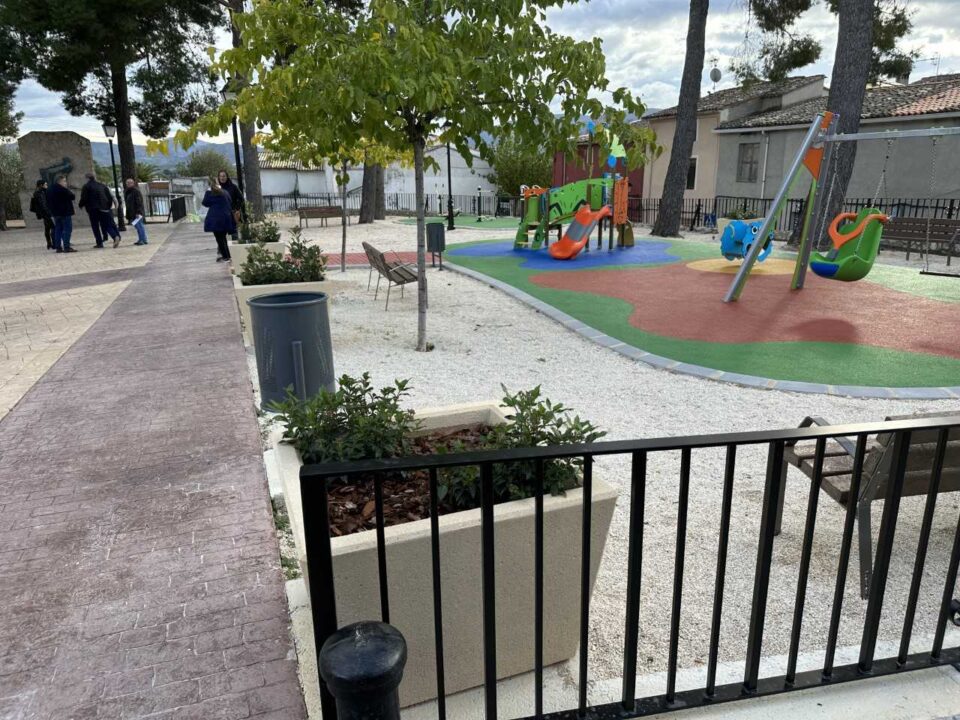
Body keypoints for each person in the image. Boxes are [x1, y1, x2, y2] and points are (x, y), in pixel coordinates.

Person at [78, 173, 122, 248]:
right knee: (106, 224)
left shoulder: (86, 186)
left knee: (95, 226)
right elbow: (109, 197)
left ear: (87, 178)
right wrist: (108, 206)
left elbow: (84, 198)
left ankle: (99, 243)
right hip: (104, 208)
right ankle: (115, 236)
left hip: (93, 209)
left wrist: (80, 205)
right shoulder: (102, 185)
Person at [202, 177, 235, 262]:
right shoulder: (225, 192)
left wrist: (208, 191)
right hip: (226, 218)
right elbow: (230, 201)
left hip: (216, 219)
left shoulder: (213, 193)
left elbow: (205, 202)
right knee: (223, 238)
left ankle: (225, 257)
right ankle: (228, 256)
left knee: (219, 239)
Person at [46, 174, 77, 253]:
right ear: (60, 181)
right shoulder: (63, 189)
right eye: (64, 181)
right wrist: (68, 189)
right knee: (67, 229)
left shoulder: (50, 189)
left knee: (58, 230)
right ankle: (66, 247)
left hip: (55, 213)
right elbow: (72, 196)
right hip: (65, 213)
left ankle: (58, 247)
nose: (66, 183)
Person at [217, 170, 245, 241]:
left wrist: (237, 209)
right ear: (218, 177)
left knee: (234, 234)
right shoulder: (217, 188)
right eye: (220, 176)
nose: (222, 178)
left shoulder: (233, 187)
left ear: (227, 177)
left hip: (232, 213)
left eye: (224, 176)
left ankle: (234, 246)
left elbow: (241, 199)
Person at [30, 179, 55, 249]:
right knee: (54, 228)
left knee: (47, 228)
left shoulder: (38, 192)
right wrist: (49, 213)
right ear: (41, 185)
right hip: (45, 213)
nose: (47, 185)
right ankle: (54, 243)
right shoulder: (40, 193)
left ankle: (49, 243)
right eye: (46, 184)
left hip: (43, 213)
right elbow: (43, 204)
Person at [124, 178, 148, 246]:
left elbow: (139, 202)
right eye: (127, 183)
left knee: (139, 226)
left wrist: (138, 212)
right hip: (132, 212)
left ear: (133, 183)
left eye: (129, 183)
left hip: (137, 213)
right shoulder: (128, 191)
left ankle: (143, 240)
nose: (128, 184)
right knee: (138, 227)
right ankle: (141, 239)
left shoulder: (136, 191)